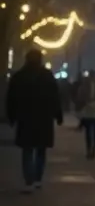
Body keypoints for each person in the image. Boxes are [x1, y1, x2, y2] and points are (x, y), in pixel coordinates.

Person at [5, 49, 63, 193]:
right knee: (41, 150)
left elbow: (11, 99)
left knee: (27, 150)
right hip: (43, 119)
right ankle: (37, 178)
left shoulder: (19, 76)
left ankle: (28, 180)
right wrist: (58, 115)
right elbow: (55, 97)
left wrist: (11, 116)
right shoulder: (47, 76)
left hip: (25, 119)